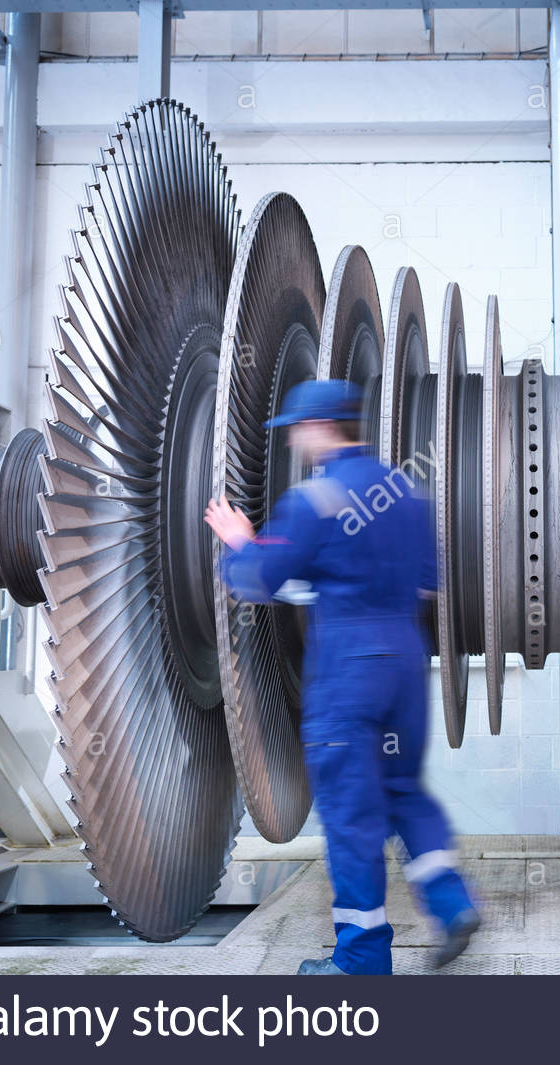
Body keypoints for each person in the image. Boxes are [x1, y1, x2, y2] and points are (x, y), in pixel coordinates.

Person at [205, 378, 480, 976]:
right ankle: (453, 903)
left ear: (320, 427)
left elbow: (256, 582)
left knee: (352, 817)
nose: (295, 440)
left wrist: (237, 542)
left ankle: (360, 966)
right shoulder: (407, 493)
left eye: (298, 429)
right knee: (404, 790)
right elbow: (427, 583)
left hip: (347, 670)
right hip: (405, 659)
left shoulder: (314, 500)